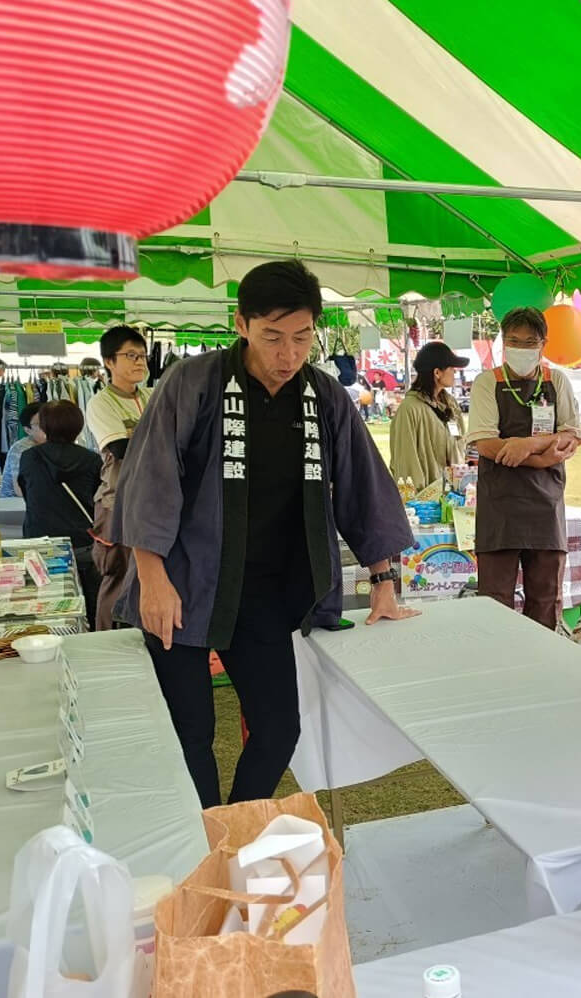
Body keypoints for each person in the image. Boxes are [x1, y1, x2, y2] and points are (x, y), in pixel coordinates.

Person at [111, 260, 417, 808]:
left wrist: (383, 579)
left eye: (301, 338)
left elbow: (361, 484)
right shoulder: (193, 382)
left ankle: (231, 824)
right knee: (192, 736)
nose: (287, 354)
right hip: (183, 586)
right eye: (272, 336)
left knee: (279, 728)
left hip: (264, 596)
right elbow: (150, 479)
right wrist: (152, 579)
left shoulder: (323, 395)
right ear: (242, 323)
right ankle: (206, 848)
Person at [465, 307, 581, 629]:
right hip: (499, 506)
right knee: (494, 601)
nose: (520, 348)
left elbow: (572, 436)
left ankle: (542, 669)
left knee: (546, 601)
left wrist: (525, 445)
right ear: (503, 342)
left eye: (529, 342)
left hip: (546, 507)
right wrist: (543, 456)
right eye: (513, 341)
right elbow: (486, 444)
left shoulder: (556, 381)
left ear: (543, 344)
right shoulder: (487, 382)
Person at [86, 325, 153, 632]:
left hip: (156, 501)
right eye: (130, 355)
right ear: (109, 362)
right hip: (119, 502)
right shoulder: (101, 403)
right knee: (118, 576)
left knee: (150, 574)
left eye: (142, 355)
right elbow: (119, 447)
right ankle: (106, 641)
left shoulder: (154, 394)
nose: (140, 362)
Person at [17, 400, 104, 623]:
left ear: (44, 426)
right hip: (82, 542)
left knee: (48, 608)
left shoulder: (30, 457)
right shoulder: (92, 460)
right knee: (91, 603)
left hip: (40, 543)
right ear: (79, 426)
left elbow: (28, 493)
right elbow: (98, 501)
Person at [390, 340, 468, 486]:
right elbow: (407, 463)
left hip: (453, 494)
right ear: (437, 372)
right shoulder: (410, 409)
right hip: (426, 503)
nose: (455, 372)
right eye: (451, 368)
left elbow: (460, 441)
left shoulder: (450, 405)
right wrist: (418, 503)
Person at [0, 402, 44, 498]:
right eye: (40, 424)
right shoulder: (21, 449)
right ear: (27, 430)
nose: (47, 426)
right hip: (14, 504)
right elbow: (20, 490)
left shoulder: (53, 444)